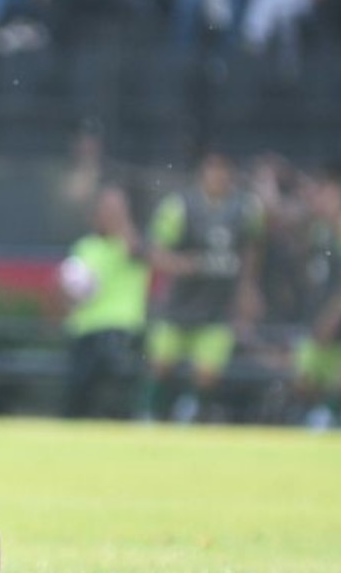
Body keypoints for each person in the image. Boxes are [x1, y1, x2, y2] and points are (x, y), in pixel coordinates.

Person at [143, 150, 265, 423]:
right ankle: (148, 415)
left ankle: (190, 415)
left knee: (208, 372)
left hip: (218, 308)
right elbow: (155, 252)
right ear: (202, 173)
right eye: (212, 169)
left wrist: (248, 286)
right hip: (179, 305)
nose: (218, 176)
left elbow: (252, 248)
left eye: (224, 170)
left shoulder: (246, 208)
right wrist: (184, 265)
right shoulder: (179, 206)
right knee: (161, 364)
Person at [60, 184, 150, 418]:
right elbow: (70, 290)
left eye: (116, 209)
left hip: (121, 330)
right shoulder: (85, 246)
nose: (110, 214)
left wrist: (120, 221)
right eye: (106, 208)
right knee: (79, 396)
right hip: (85, 330)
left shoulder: (131, 243)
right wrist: (70, 291)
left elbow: (138, 252)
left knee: (117, 397)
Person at [290, 163, 341, 430]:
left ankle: (330, 414)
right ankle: (331, 413)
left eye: (327, 192)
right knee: (304, 377)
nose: (321, 198)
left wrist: (335, 310)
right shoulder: (319, 228)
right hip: (321, 309)